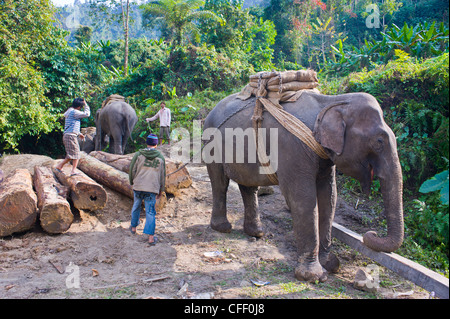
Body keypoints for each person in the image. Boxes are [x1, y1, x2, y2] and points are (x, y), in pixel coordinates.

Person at [128, 134, 166, 245]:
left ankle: (133, 228)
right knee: (150, 212)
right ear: (156, 144)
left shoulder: (138, 154)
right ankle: (150, 238)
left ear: (147, 143)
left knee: (136, 206)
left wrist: (132, 182)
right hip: (152, 188)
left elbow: (132, 170)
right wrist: (161, 190)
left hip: (138, 186)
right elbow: (162, 176)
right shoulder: (160, 157)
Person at [55, 98, 90, 175]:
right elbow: (87, 114)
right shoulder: (74, 112)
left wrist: (78, 133)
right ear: (79, 106)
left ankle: (59, 166)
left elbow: (71, 125)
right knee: (76, 154)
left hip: (68, 135)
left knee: (71, 155)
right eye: (81, 107)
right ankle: (73, 171)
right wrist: (86, 105)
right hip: (70, 136)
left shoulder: (69, 111)